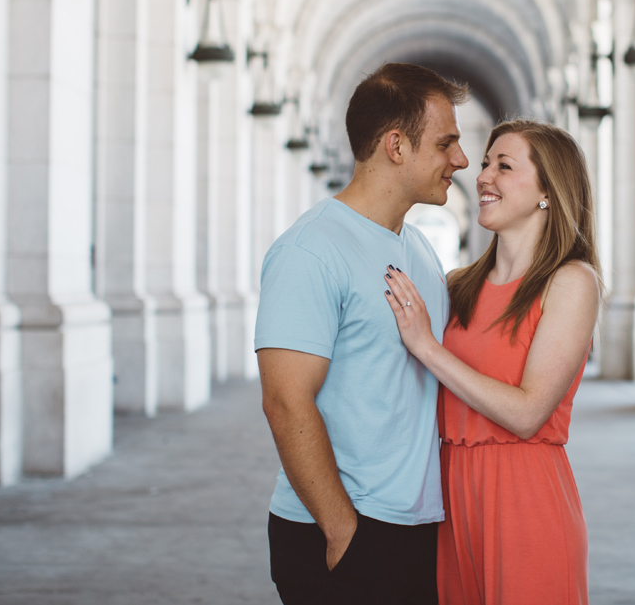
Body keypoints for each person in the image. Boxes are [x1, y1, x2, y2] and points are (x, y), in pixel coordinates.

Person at [257, 62, 471, 604]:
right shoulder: (310, 250)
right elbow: (285, 400)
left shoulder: (419, 250)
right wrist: (341, 530)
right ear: (396, 145)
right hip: (343, 531)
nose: (461, 161)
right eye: (446, 144)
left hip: (418, 526)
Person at [383, 120, 600, 605]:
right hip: (452, 500)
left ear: (549, 189)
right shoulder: (456, 285)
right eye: (485, 164)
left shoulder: (571, 282)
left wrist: (428, 348)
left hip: (526, 502)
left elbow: (527, 413)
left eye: (504, 166)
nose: (483, 176)